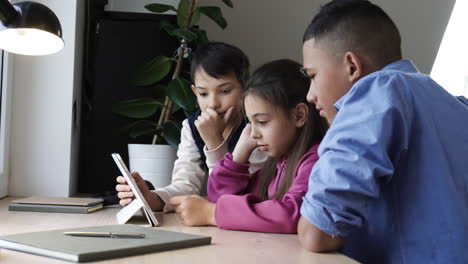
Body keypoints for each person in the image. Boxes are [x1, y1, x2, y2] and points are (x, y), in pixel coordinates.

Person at [297, 0, 468, 263]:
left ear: (352, 66)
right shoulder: (455, 104)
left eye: (312, 75)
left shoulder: (376, 91)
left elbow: (317, 232)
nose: (310, 95)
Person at [168, 59, 328, 233]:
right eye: (251, 122)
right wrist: (238, 155)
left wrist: (211, 213)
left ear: (299, 115)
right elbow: (222, 199)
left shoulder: (316, 162)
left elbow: (292, 215)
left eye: (262, 121)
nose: (253, 134)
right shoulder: (277, 164)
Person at [116, 42, 266, 212]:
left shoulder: (256, 126)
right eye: (203, 93)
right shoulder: (192, 126)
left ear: (245, 88)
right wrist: (152, 198)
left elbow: (244, 196)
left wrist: (214, 142)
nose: (213, 104)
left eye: (224, 91)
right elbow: (185, 185)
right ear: (195, 92)